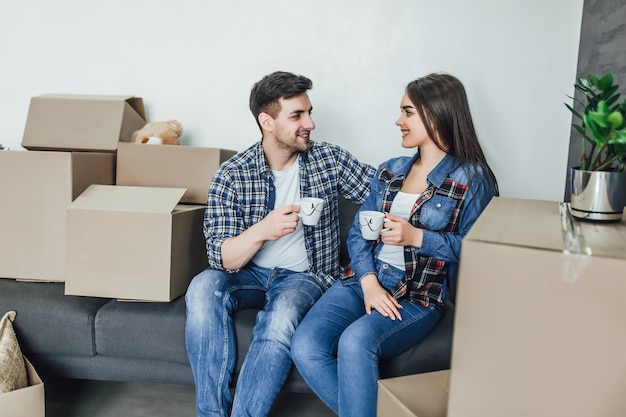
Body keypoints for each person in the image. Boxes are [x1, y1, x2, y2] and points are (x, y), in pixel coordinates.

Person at [291, 73, 499, 417]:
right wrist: (368, 282)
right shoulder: (390, 170)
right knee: (305, 345)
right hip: (365, 280)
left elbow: (479, 252)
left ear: (436, 114)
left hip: (418, 294)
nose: (398, 121)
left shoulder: (473, 178)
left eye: (407, 112)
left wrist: (417, 237)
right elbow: (359, 233)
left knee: (355, 342)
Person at [185, 71, 376, 417]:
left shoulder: (328, 160)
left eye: (309, 112)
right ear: (266, 121)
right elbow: (222, 257)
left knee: (283, 315)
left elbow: (382, 192)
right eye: (297, 115)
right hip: (249, 274)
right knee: (202, 288)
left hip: (306, 276)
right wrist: (263, 230)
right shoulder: (233, 174)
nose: (311, 123)